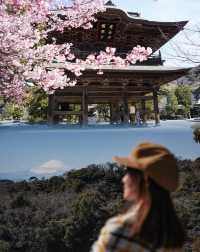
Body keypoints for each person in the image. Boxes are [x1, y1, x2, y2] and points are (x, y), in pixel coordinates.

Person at [90, 142, 185, 252]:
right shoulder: (172, 237)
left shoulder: (119, 230)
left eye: (129, 171)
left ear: (144, 180)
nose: (124, 179)